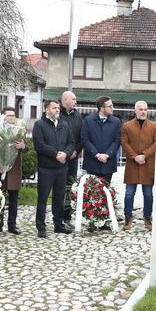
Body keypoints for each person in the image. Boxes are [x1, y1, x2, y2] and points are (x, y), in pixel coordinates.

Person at [32, 99, 75, 238]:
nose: (57, 110)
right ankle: (41, 226)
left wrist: (66, 153)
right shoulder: (39, 125)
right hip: (46, 168)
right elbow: (39, 145)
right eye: (54, 108)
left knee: (59, 198)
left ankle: (58, 224)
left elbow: (71, 142)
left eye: (58, 108)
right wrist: (55, 154)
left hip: (62, 168)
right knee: (43, 199)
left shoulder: (64, 124)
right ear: (46, 109)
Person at [120, 101, 156, 230]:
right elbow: (124, 143)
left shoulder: (154, 126)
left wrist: (144, 155)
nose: (143, 112)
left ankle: (147, 217)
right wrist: (135, 156)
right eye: (140, 109)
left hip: (148, 164)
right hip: (132, 164)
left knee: (148, 194)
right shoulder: (127, 126)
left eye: (145, 109)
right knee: (129, 193)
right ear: (135, 111)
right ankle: (128, 218)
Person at [0, 106, 26, 235]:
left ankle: (12, 225)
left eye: (13, 115)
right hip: (0, 169)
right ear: (3, 116)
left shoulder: (19, 129)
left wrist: (23, 146)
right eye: (8, 115)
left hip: (14, 169)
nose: (11, 117)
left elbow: (25, 148)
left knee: (13, 199)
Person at [80, 96, 121, 185]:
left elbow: (117, 141)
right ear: (102, 108)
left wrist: (107, 155)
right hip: (92, 163)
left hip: (108, 163)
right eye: (109, 106)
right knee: (91, 194)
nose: (112, 108)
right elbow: (84, 139)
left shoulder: (116, 122)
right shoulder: (88, 120)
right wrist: (97, 154)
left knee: (106, 193)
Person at [60, 91, 83, 226]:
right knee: (59, 187)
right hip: (59, 158)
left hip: (73, 158)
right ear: (65, 100)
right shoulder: (57, 114)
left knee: (70, 186)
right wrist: (63, 153)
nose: (76, 101)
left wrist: (76, 151)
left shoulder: (77, 116)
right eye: (73, 99)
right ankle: (57, 216)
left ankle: (67, 216)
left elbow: (81, 136)